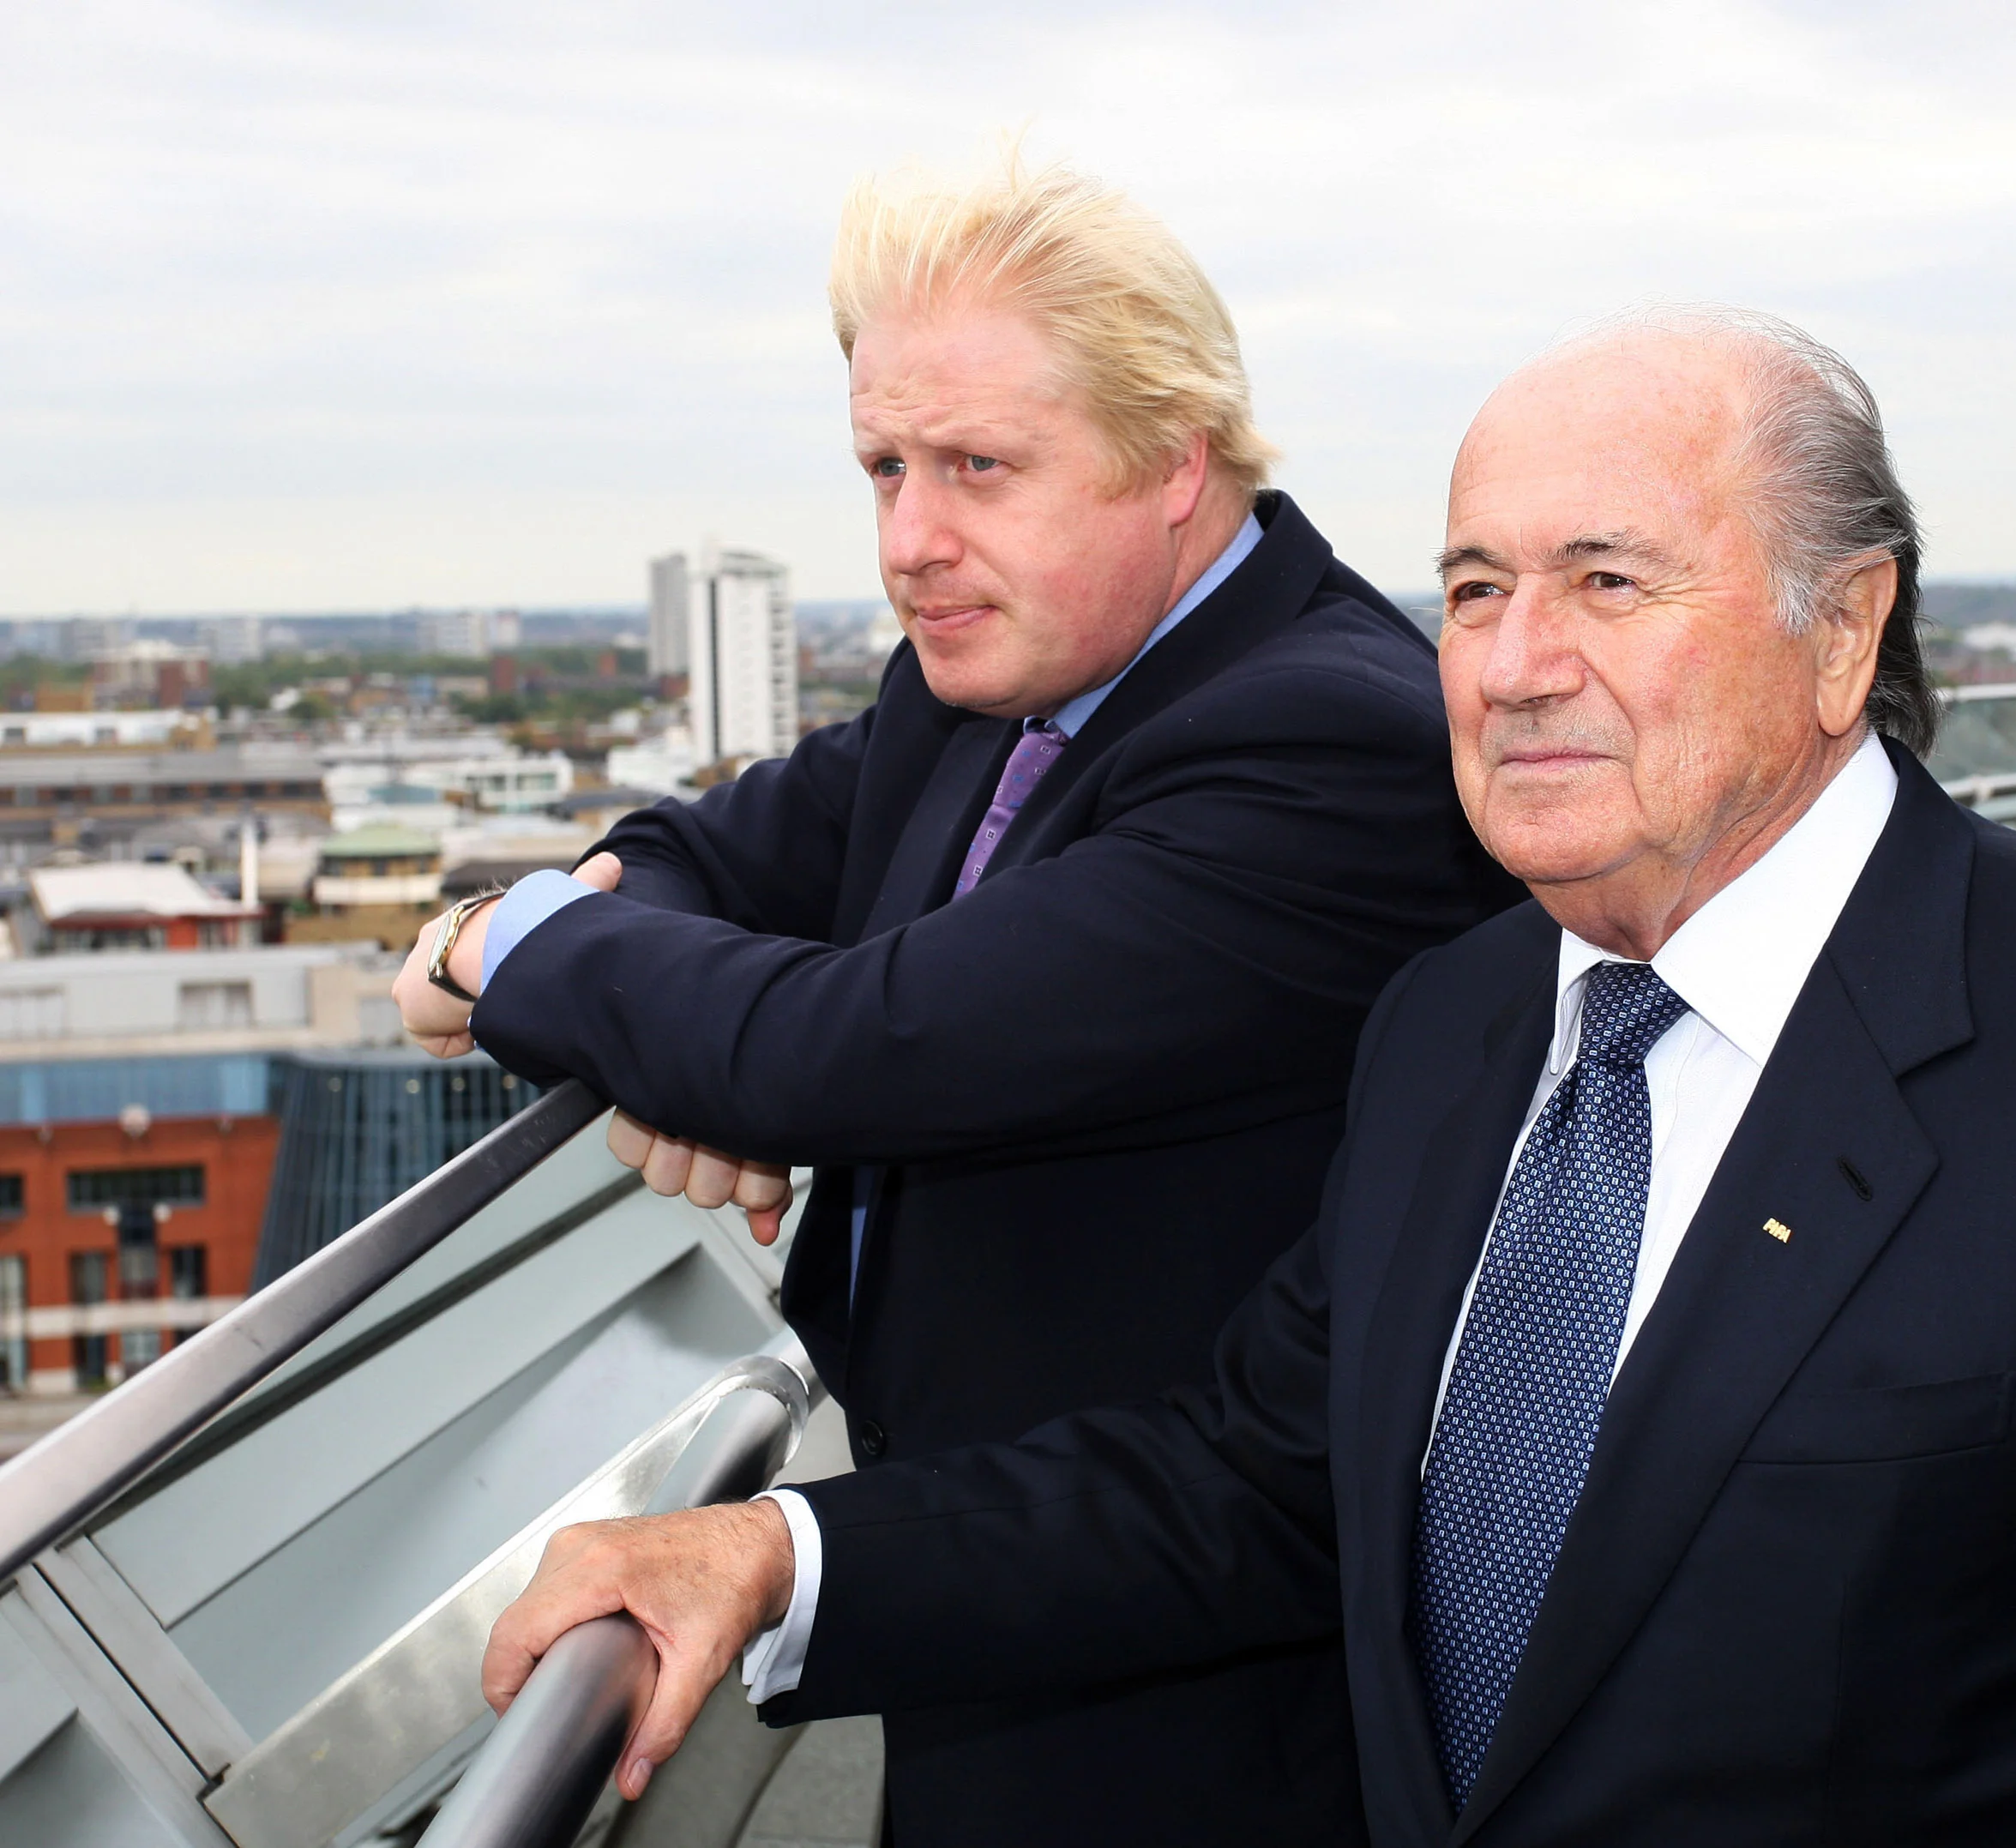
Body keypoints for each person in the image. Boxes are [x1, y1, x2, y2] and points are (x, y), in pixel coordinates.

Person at [483, 307, 2016, 1843]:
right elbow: (1259, 1484)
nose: (1513, 661)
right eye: (1473, 589)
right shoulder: (1458, 1024)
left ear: (1845, 634)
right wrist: (778, 1557)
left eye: (1607, 580)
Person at [396, 158, 1515, 1846]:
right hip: (977, 1586)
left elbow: (845, 1049)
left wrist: (504, 946)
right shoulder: (1000, 672)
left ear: (1175, 462)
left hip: (1195, 1680)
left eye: (979, 467)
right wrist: (652, 1025)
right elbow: (701, 854)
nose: (910, 542)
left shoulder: (1325, 741)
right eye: (885, 468)